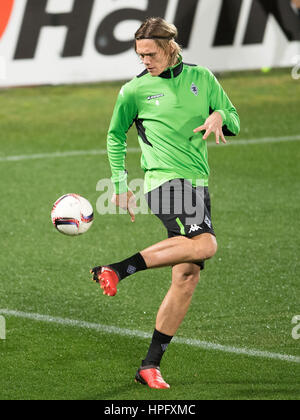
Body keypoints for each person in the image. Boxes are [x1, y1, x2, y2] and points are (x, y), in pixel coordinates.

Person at [91, 17, 240, 389]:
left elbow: (234, 120)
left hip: (197, 183)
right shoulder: (134, 91)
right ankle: (115, 269)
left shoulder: (202, 78)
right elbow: (113, 136)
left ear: (170, 46)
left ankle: (149, 365)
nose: (144, 60)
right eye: (139, 54)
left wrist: (220, 114)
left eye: (150, 53)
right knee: (206, 244)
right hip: (164, 181)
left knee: (186, 275)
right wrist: (121, 183)